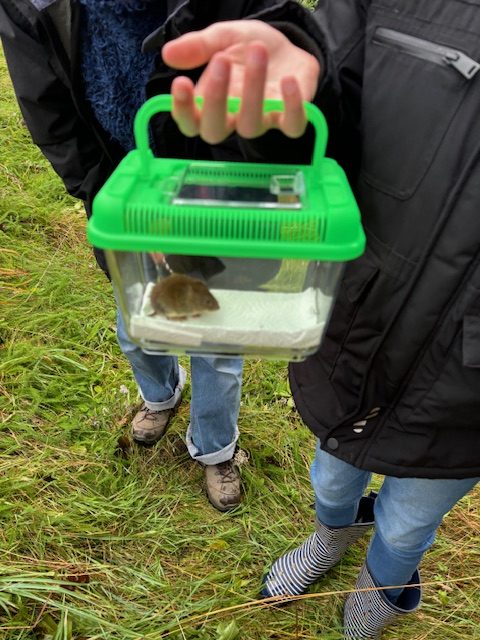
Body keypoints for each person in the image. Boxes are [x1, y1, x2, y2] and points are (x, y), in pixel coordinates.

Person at [162, 3, 480, 638]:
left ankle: (383, 583)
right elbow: (331, 113)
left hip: (466, 392)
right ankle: (329, 539)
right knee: (332, 476)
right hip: (360, 324)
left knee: (409, 523)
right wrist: (288, 112)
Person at [0, 0, 317, 512]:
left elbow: (270, 60)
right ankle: (160, 395)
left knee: (216, 337)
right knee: (138, 322)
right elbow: (50, 112)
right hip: (120, 190)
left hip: (213, 187)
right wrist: (114, 201)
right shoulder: (29, 6)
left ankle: (215, 447)